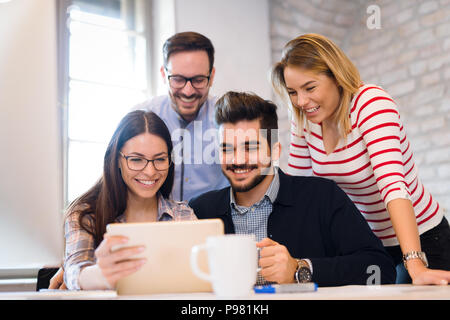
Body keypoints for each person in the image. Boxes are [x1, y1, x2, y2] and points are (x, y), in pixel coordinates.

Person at [271, 33, 450, 285]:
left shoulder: (371, 104)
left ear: (336, 76)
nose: (301, 101)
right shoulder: (304, 119)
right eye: (292, 92)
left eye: (310, 88)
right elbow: (300, 194)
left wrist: (415, 263)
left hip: (423, 238)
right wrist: (287, 259)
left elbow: (392, 185)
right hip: (368, 245)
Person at [189, 91, 396, 287]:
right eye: (227, 149)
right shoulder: (200, 211)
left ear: (275, 150)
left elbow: (381, 269)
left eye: (250, 147)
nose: (238, 159)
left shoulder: (322, 197)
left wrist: (300, 269)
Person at [55, 110, 196, 290]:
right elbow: (75, 271)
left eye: (160, 159)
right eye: (137, 160)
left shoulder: (183, 215)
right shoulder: (85, 215)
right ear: (116, 160)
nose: (150, 172)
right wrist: (100, 274)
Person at [135, 31, 228, 201]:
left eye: (199, 80)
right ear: (164, 75)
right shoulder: (141, 117)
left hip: (215, 223)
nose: (188, 91)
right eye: (177, 79)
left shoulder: (229, 119)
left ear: (211, 76)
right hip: (157, 223)